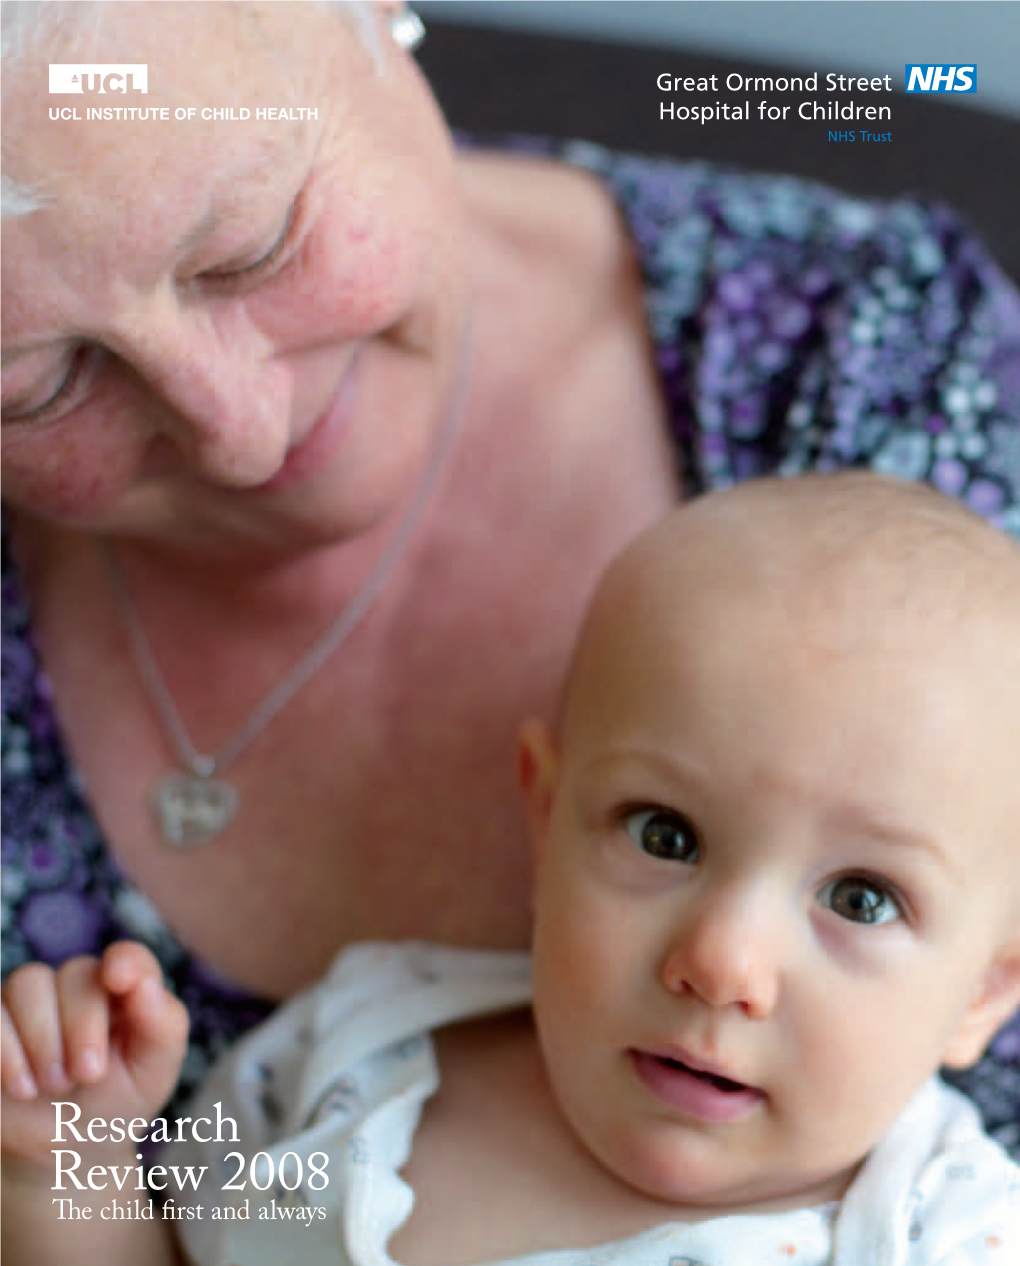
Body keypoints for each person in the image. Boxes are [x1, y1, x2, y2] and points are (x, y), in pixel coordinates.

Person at [1, 0, 1018, 1177]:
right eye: (39, 386)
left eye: (253, 245)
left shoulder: (878, 372)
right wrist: (62, 1166)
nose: (241, 432)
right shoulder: (336, 1093)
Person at [3, 473, 1020, 1266]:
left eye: (861, 900)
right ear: (547, 819)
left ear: (983, 989)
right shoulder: (355, 1048)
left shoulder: (940, 1248)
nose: (721, 963)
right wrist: (65, 1164)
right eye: (665, 835)